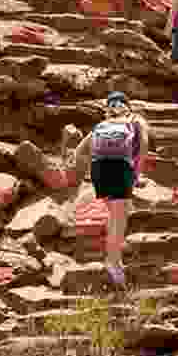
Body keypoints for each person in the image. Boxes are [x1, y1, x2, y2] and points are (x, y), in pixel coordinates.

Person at [64, 92, 148, 287]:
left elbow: (79, 152)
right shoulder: (135, 120)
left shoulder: (102, 125)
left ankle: (114, 249)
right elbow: (143, 148)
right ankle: (113, 262)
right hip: (119, 167)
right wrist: (137, 174)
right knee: (119, 218)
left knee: (118, 212)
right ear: (128, 106)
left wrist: (84, 169)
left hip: (99, 169)